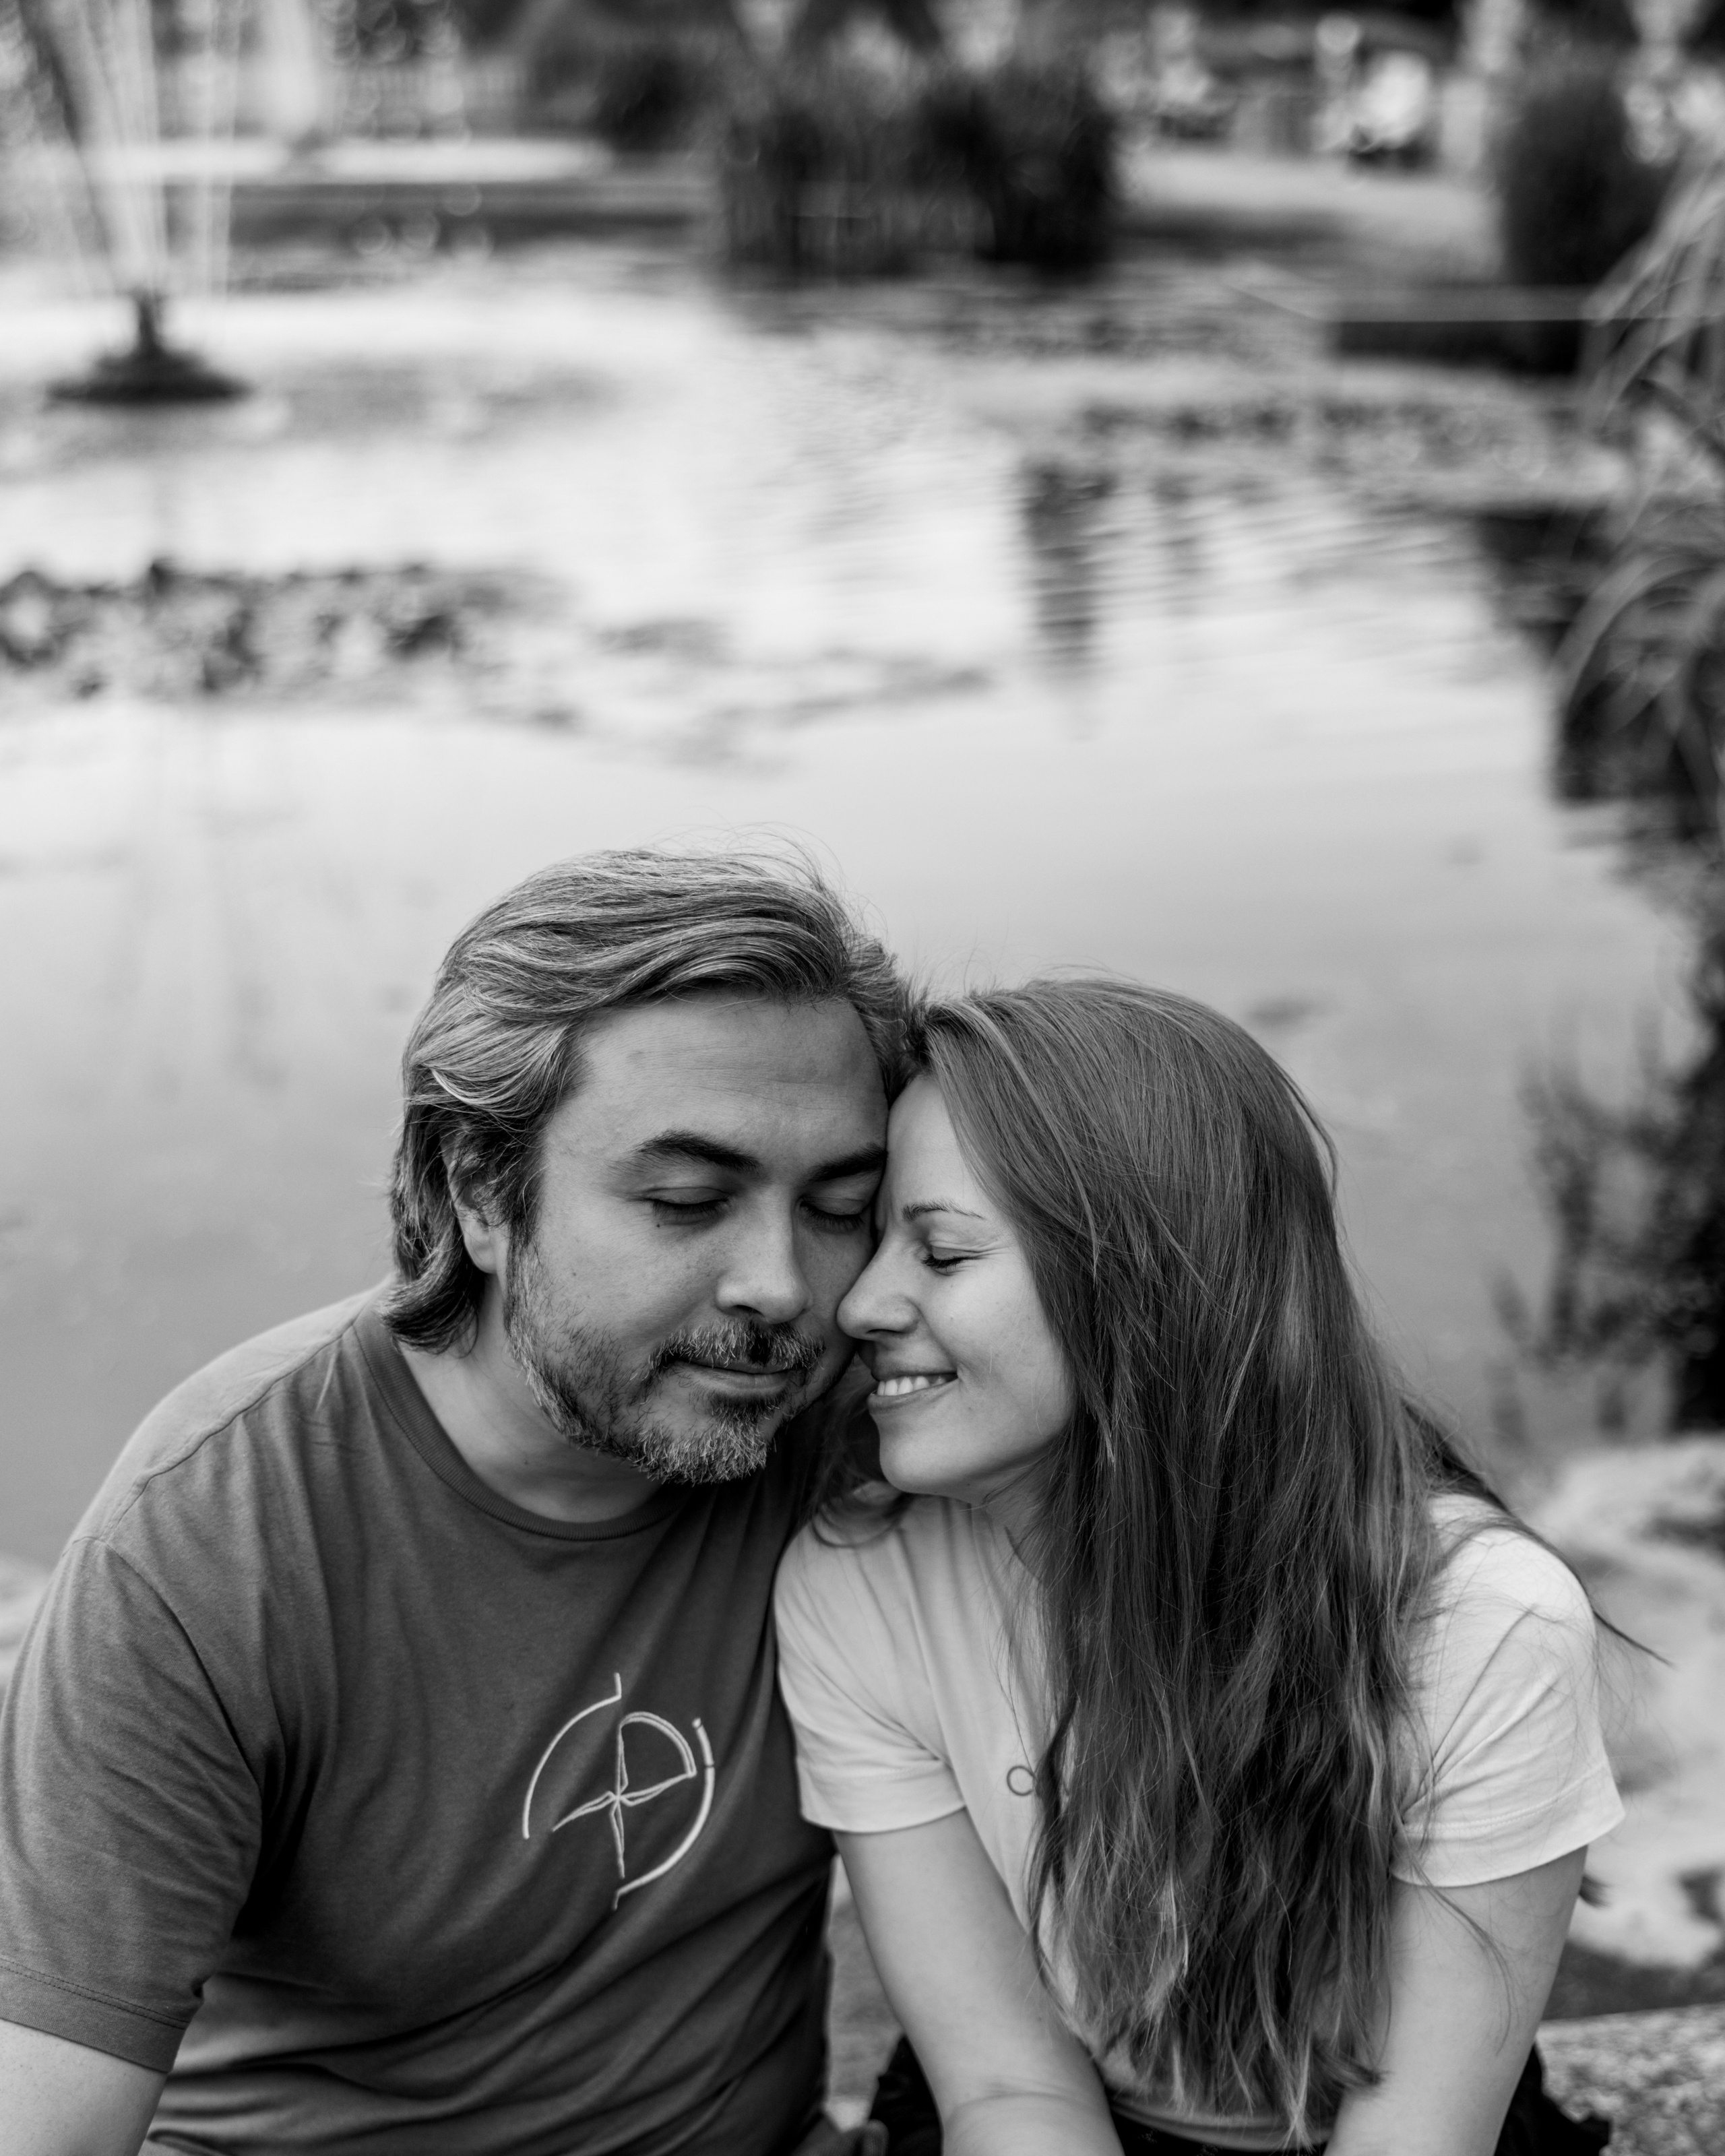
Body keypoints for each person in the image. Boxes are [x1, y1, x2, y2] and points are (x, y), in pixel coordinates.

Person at [0, 849, 908, 2156]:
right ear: (478, 1187)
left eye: (839, 1206)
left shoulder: (857, 1426)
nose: (781, 1282)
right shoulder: (213, 1540)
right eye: (686, 1201)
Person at [775, 978, 1625, 2156]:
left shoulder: (1479, 1627)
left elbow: (1416, 2137)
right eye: (874, 1243)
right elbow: (1009, 2087)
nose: (863, 1304)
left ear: (1144, 1294)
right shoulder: (859, 1585)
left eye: (943, 1252)